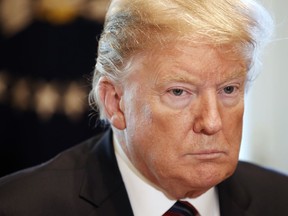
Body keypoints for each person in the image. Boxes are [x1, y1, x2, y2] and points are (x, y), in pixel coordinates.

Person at [0, 0, 287, 215]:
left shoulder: (279, 199)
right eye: (179, 92)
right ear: (116, 102)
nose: (212, 122)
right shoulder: (18, 206)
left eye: (228, 89)